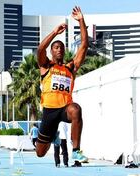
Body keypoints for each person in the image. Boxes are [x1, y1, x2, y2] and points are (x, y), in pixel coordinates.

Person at [36, 6, 89, 167]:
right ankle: (53, 136)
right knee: (40, 153)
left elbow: (84, 46)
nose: (59, 50)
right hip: (49, 111)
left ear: (64, 51)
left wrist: (81, 20)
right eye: (56, 47)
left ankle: (76, 151)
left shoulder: (70, 68)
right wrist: (54, 33)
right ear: (52, 51)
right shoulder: (46, 66)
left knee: (76, 109)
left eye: (61, 48)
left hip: (65, 108)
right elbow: (40, 49)